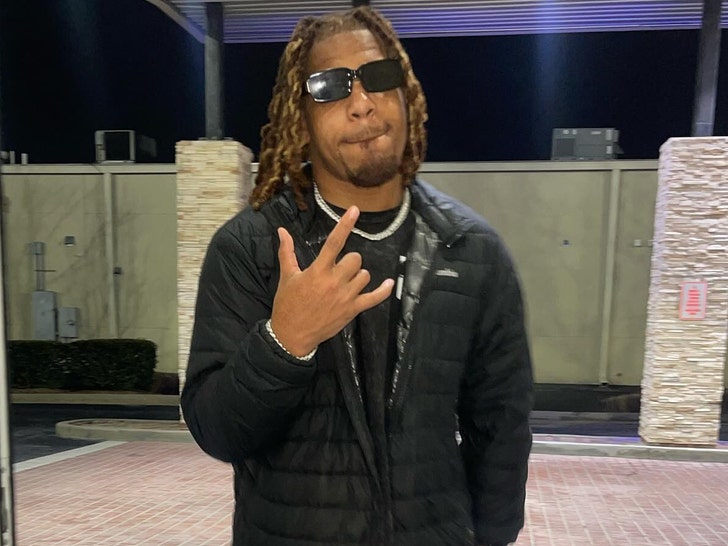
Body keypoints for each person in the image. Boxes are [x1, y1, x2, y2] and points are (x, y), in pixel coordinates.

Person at [182, 7, 533, 546]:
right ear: (300, 115)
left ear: (406, 94)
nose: (362, 102)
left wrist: (491, 536)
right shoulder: (251, 247)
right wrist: (284, 342)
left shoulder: (471, 250)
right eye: (330, 87)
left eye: (378, 77)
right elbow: (218, 431)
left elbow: (501, 426)